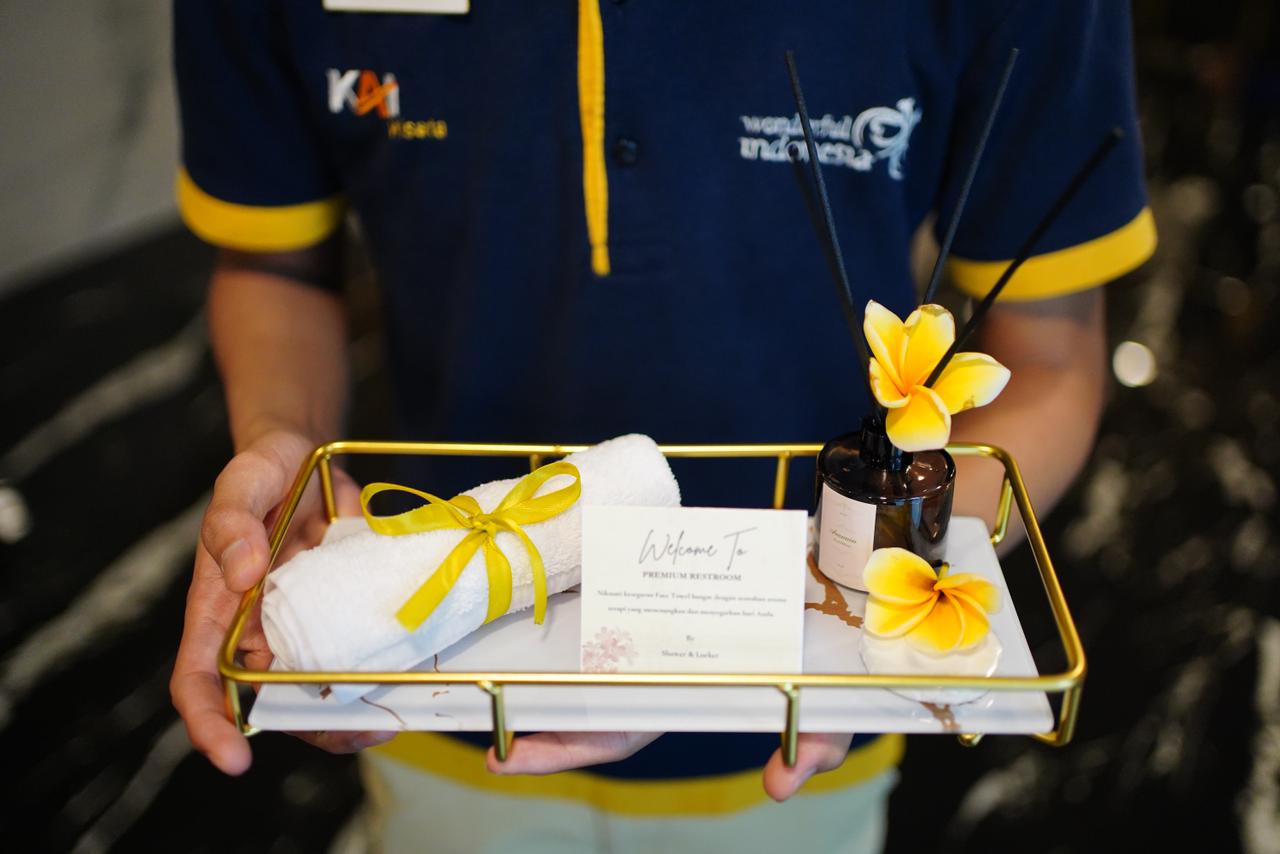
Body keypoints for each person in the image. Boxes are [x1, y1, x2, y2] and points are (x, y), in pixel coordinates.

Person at [168, 1, 1156, 851]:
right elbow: (272, 257)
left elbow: (1048, 360)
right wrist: (282, 440)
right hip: (428, 683)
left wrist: (847, 611)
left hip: (794, 745)